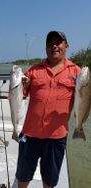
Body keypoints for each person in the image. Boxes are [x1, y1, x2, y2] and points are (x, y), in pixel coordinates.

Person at [15, 31, 81, 188]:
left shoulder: (77, 72)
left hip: (56, 136)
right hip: (30, 134)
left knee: (50, 180)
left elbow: (84, 98)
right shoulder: (33, 70)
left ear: (66, 46)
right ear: (46, 48)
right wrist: (19, 86)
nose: (54, 46)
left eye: (58, 42)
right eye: (50, 43)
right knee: (23, 176)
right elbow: (19, 95)